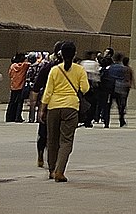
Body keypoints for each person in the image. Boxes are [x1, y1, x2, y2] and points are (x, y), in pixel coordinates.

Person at [39, 42, 88, 183]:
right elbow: (85, 89)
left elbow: (48, 91)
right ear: (74, 54)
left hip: (53, 107)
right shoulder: (79, 70)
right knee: (66, 141)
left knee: (52, 140)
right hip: (71, 107)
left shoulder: (55, 70)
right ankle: (60, 171)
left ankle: (51, 170)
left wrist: (42, 108)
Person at [105, 52, 132, 127]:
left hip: (111, 88)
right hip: (120, 88)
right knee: (121, 105)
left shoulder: (111, 67)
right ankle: (121, 120)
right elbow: (126, 78)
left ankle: (107, 122)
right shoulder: (123, 68)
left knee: (108, 106)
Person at [6, 53, 30, 122]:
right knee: (19, 102)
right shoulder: (24, 66)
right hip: (21, 86)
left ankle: (9, 117)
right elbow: (30, 63)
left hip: (13, 86)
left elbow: (10, 74)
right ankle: (17, 117)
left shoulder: (12, 66)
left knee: (12, 102)